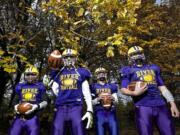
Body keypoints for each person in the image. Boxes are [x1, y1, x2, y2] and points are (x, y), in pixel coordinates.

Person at [120, 46, 179, 135]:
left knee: (169, 132)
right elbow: (123, 89)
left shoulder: (154, 68)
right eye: (134, 54)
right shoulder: (127, 70)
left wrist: (172, 104)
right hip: (143, 106)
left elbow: (162, 87)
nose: (137, 56)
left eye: (139, 53)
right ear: (129, 57)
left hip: (161, 105)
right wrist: (134, 93)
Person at [49, 48, 93, 135]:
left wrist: (90, 110)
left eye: (71, 57)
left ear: (76, 58)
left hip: (76, 107)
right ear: (62, 59)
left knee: (79, 132)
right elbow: (54, 91)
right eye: (66, 57)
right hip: (60, 107)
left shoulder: (81, 72)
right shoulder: (58, 73)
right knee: (57, 132)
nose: (69, 59)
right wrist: (48, 88)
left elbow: (87, 93)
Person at [9, 66, 47, 135]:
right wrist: (16, 106)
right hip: (19, 117)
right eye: (28, 74)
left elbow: (45, 101)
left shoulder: (40, 86)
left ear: (37, 75)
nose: (30, 76)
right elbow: (14, 100)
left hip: (33, 117)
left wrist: (36, 106)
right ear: (24, 75)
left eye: (33, 74)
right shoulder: (20, 86)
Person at [91, 67, 119, 135]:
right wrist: (98, 99)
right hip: (99, 112)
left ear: (106, 74)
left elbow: (117, 102)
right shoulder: (93, 86)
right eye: (99, 73)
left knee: (114, 132)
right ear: (96, 75)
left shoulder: (112, 86)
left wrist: (113, 98)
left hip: (111, 112)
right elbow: (90, 102)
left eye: (103, 73)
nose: (101, 75)